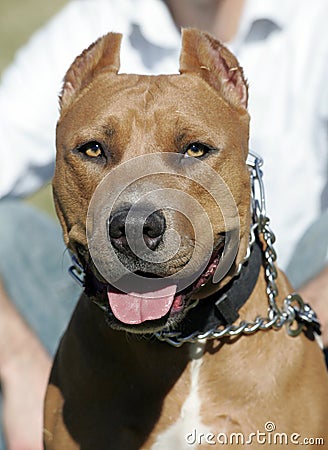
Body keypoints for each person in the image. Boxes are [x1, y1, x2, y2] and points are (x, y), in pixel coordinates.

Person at [0, 0, 327, 448]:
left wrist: (310, 316)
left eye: (193, 149)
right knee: (8, 228)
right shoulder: (98, 19)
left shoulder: (314, 19)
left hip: (289, 291)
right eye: (95, 150)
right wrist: (16, 360)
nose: (137, 208)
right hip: (98, 321)